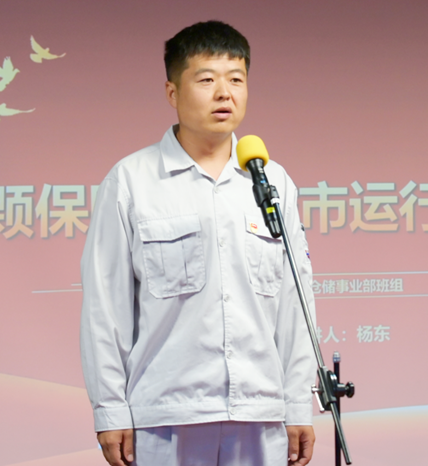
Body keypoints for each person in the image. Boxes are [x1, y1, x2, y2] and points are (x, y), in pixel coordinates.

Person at [80, 20, 316, 466]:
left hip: (259, 412)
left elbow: (294, 302)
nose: (224, 93)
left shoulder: (272, 181)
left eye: (236, 80)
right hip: (166, 415)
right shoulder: (132, 180)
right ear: (172, 93)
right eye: (207, 80)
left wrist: (297, 401)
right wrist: (109, 408)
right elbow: (104, 308)